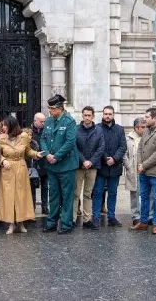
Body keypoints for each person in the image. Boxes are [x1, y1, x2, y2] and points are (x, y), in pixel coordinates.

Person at [41, 95, 79, 235]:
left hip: (66, 165)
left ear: (60, 108)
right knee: (54, 196)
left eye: (52, 108)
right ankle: (51, 223)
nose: (49, 110)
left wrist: (56, 156)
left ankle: (66, 224)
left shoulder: (69, 121)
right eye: (49, 108)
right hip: (52, 166)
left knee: (67, 196)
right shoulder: (49, 121)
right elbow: (43, 139)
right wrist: (47, 154)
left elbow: (70, 142)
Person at [0, 116, 41, 234]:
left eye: (5, 125)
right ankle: (11, 224)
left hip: (21, 168)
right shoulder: (1, 138)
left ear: (11, 125)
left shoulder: (24, 136)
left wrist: (36, 154)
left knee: (21, 196)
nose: (3, 128)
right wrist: (2, 160)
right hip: (7, 170)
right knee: (9, 197)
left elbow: (28, 151)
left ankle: (21, 223)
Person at [131, 107, 156, 235]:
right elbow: (141, 147)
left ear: (155, 118)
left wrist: (144, 165)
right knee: (144, 197)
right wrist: (140, 164)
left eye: (147, 117)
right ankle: (143, 221)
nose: (144, 119)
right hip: (144, 171)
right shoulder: (147, 130)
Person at [93, 105, 126, 227]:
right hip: (101, 166)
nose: (107, 116)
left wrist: (114, 158)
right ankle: (95, 217)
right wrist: (106, 158)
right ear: (102, 114)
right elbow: (96, 146)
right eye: (105, 114)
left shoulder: (120, 129)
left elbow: (123, 147)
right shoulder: (97, 128)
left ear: (113, 115)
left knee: (113, 192)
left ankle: (111, 217)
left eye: (110, 114)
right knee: (98, 192)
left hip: (115, 167)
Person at [74, 106, 104, 230]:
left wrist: (91, 161)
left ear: (93, 116)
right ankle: (73, 218)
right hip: (79, 166)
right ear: (82, 116)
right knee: (75, 193)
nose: (87, 118)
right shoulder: (76, 129)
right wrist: (83, 160)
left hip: (92, 166)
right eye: (85, 115)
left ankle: (87, 219)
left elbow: (101, 147)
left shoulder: (98, 130)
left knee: (88, 194)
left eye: (89, 115)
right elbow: (74, 147)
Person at [123, 117, 148, 225]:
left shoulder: (148, 137)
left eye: (145, 127)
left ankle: (147, 216)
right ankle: (136, 216)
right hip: (133, 170)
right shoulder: (128, 138)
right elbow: (124, 154)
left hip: (146, 169)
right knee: (134, 194)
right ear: (136, 128)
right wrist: (128, 166)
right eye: (142, 127)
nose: (144, 129)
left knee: (147, 193)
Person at [30, 113, 49, 214]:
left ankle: (45, 207)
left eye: (44, 121)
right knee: (32, 186)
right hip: (34, 163)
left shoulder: (47, 131)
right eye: (41, 121)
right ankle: (32, 208)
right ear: (35, 121)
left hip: (45, 162)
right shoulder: (29, 132)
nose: (43, 123)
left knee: (45, 186)